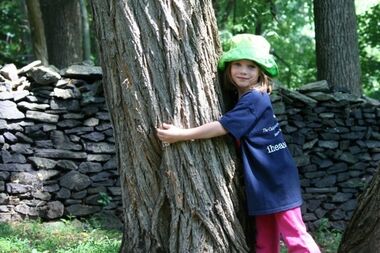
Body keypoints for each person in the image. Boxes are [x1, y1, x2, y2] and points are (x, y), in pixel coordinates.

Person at [156, 34, 321, 253]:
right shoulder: (242, 97)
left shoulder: (255, 98)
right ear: (229, 67)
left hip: (277, 178)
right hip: (260, 178)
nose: (243, 71)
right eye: (238, 64)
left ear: (261, 72)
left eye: (251, 66)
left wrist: (181, 134)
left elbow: (222, 127)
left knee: (295, 234)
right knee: (265, 238)